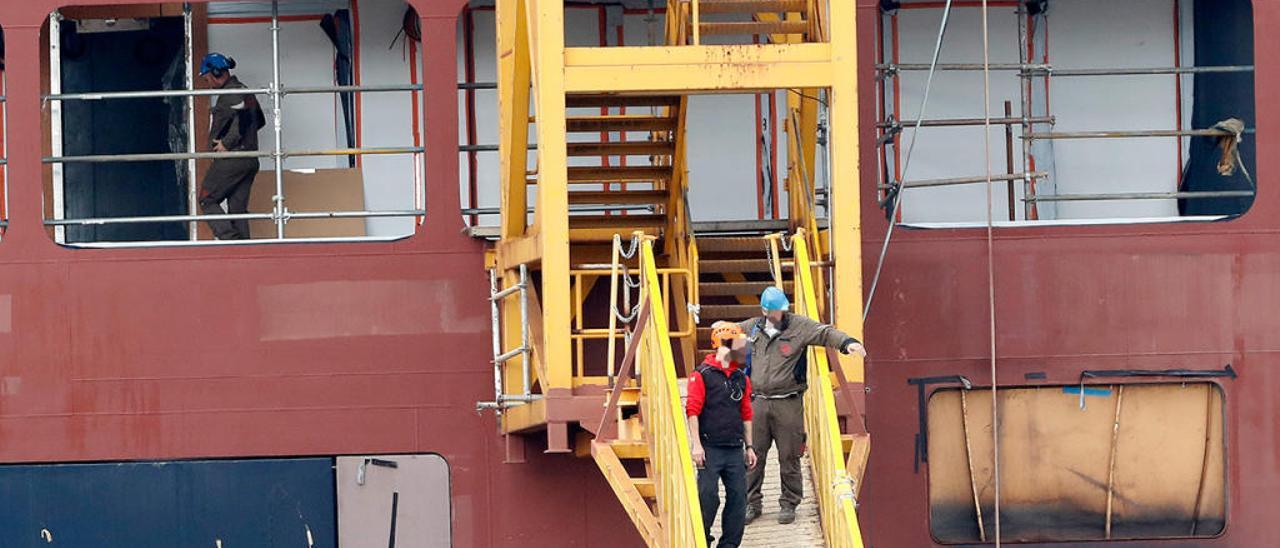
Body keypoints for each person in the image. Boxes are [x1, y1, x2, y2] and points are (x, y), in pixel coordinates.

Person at [736, 286, 866, 525]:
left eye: (783, 310)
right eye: (776, 311)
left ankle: (789, 503)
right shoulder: (752, 328)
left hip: (788, 402)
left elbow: (825, 333)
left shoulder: (799, 326)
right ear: (765, 310)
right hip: (758, 402)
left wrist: (848, 343)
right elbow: (730, 334)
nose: (781, 314)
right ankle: (750, 504)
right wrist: (721, 329)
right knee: (753, 455)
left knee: (790, 454)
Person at [687, 323, 758, 548]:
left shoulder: (740, 378)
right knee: (707, 497)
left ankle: (728, 545)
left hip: (734, 448)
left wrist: (749, 447)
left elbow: (746, 412)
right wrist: (696, 445)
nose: (741, 350)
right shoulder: (702, 375)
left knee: (738, 499)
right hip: (710, 448)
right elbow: (693, 411)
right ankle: (702, 539)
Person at [199, 52, 265, 240]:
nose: (208, 82)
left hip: (232, 160)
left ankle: (230, 240)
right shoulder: (243, 90)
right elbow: (258, 120)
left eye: (207, 78)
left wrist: (227, 143)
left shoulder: (231, 93)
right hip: (249, 160)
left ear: (216, 73)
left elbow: (245, 118)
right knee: (237, 209)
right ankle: (244, 250)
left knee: (206, 199)